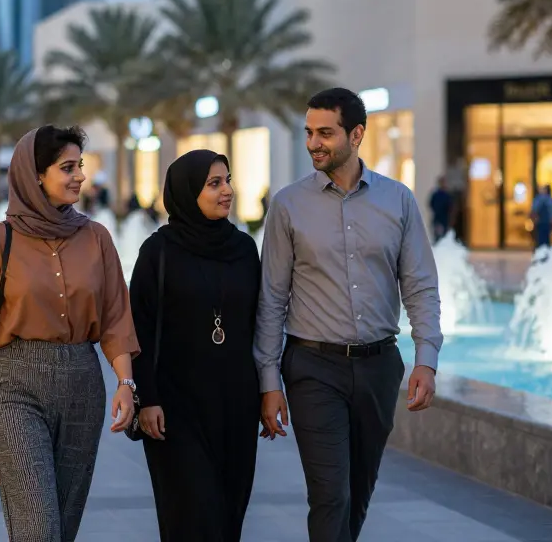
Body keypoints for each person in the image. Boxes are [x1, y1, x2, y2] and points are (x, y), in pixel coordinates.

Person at [256, 88, 443, 542]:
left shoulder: (398, 200)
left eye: (325, 133)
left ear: (356, 134)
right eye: (308, 133)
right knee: (330, 493)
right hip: (313, 367)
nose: (313, 143)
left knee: (358, 491)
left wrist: (426, 357)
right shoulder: (287, 205)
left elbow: (419, 283)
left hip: (379, 366)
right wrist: (268, 382)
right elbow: (271, 298)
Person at [0, 125, 139, 542]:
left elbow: (115, 318)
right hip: (13, 387)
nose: (79, 176)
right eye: (67, 167)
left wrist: (125, 381)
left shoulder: (97, 238)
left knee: (63, 528)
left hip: (82, 385)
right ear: (35, 175)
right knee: (38, 528)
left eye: (80, 166)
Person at [132, 150, 261, 541]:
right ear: (188, 192)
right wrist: (147, 399)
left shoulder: (243, 249)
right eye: (214, 183)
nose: (228, 191)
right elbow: (138, 328)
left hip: (236, 405)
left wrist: (270, 391)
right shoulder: (158, 252)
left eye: (228, 181)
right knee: (192, 516)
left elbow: (262, 323)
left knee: (227, 517)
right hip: (176, 408)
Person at [530, 185, 552, 249]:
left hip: (540, 222)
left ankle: (541, 252)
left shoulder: (539, 198)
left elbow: (534, 210)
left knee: (540, 239)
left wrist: (534, 220)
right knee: (546, 239)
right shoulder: (550, 200)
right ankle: (545, 252)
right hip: (547, 223)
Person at [428, 176, 452, 241]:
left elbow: (450, 207)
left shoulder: (447, 195)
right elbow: (430, 204)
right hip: (437, 217)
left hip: (444, 218)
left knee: (443, 236)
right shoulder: (435, 194)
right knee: (436, 235)